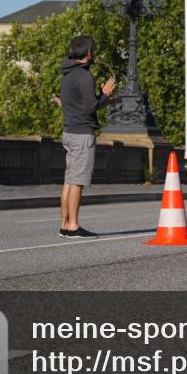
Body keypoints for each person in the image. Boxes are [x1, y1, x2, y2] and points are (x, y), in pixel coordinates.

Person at [59, 35, 117, 238]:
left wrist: (104, 100)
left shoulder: (67, 74)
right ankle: (74, 226)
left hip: (69, 131)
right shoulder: (85, 76)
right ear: (89, 53)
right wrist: (105, 94)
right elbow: (90, 107)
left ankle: (65, 225)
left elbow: (79, 101)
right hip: (82, 133)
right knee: (77, 181)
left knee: (69, 180)